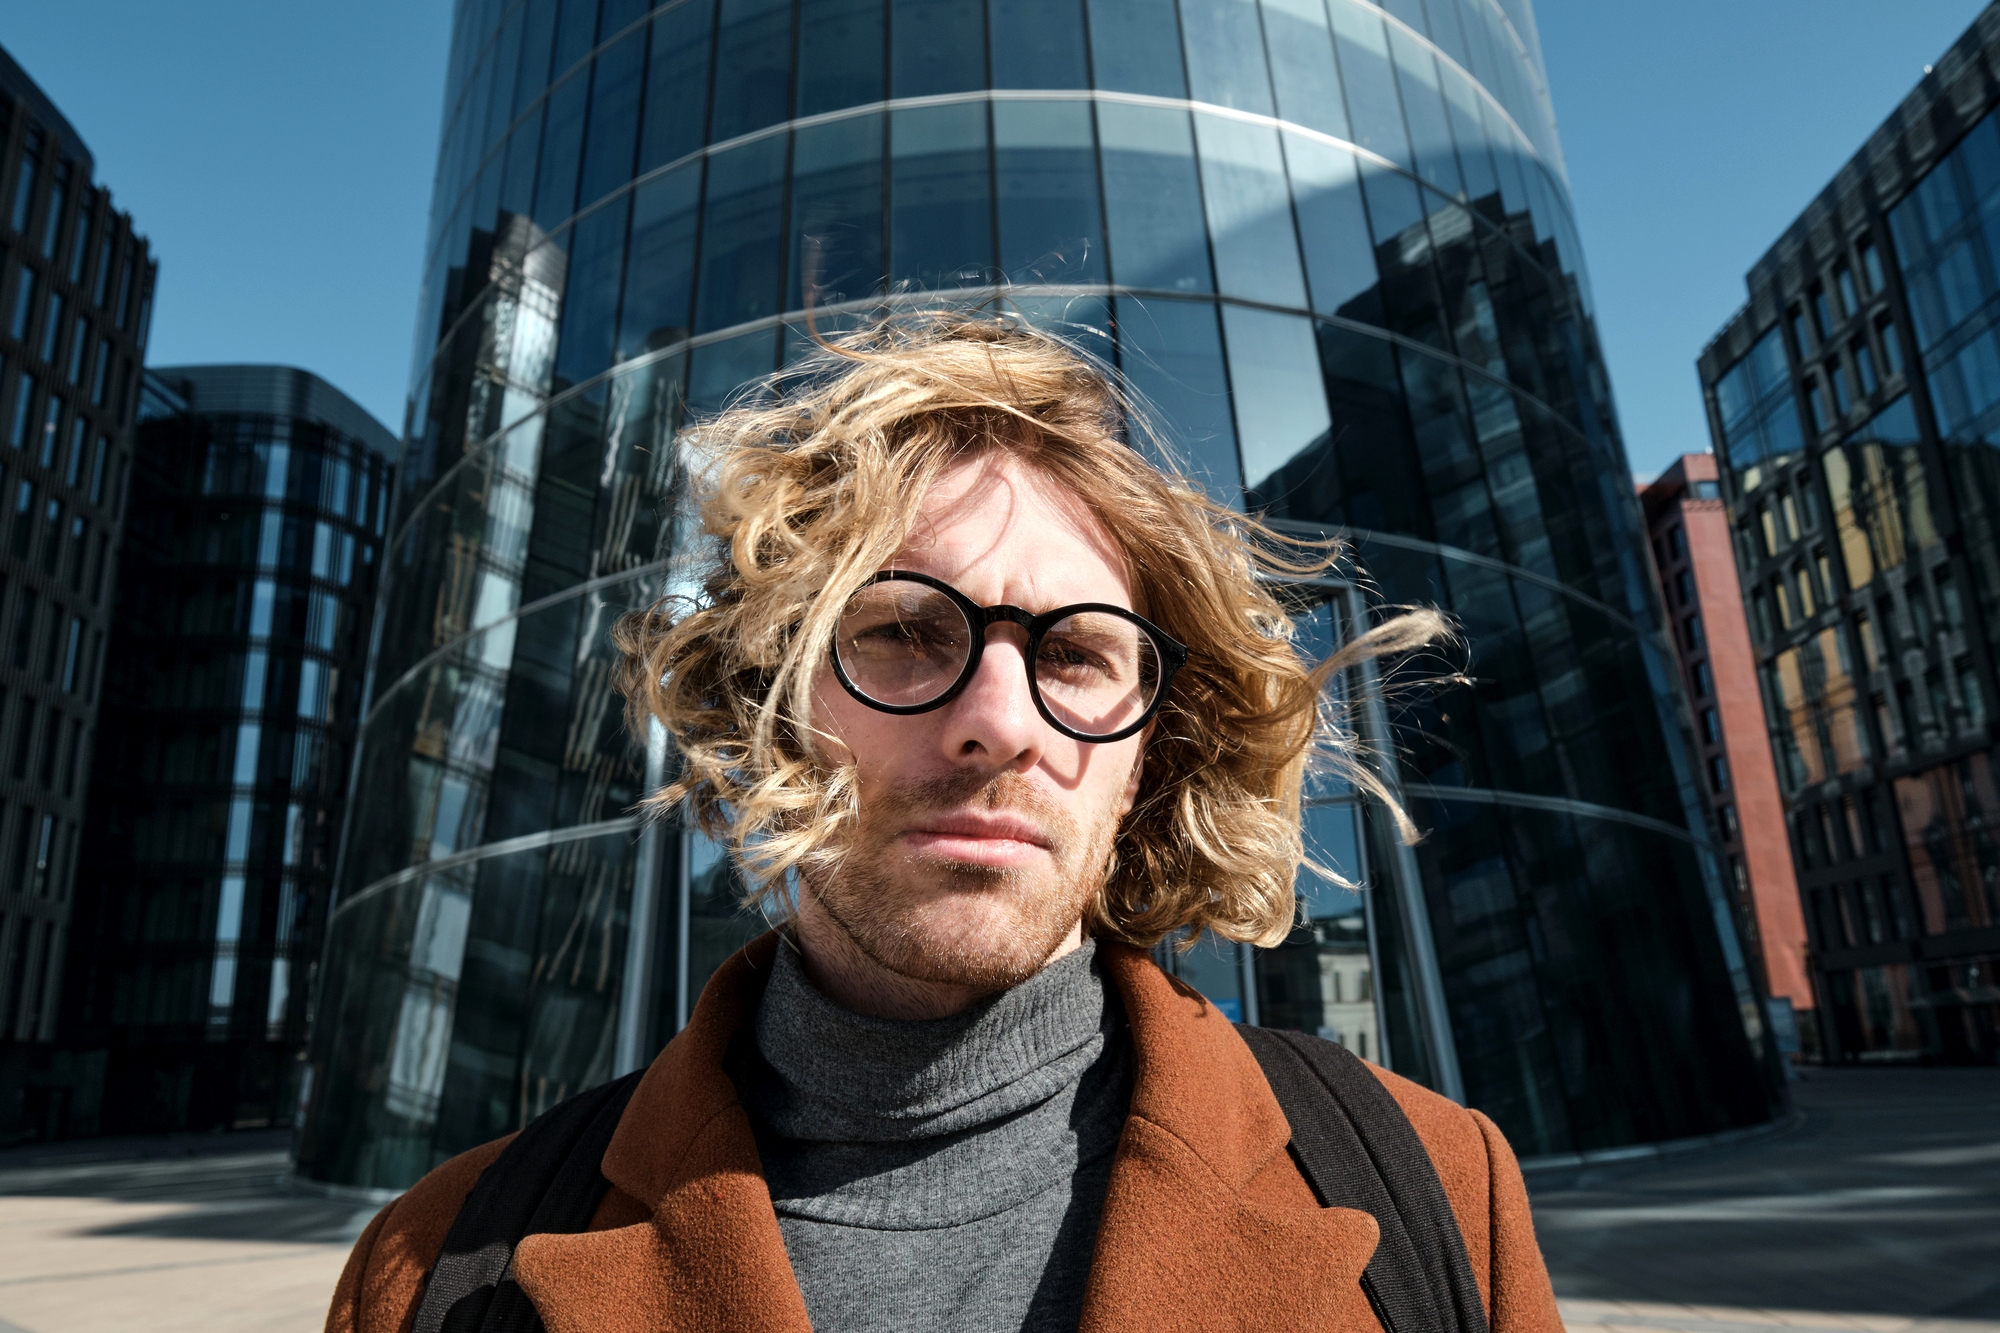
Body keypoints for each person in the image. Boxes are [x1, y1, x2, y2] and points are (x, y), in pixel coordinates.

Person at [326, 314, 1563, 1333]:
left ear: (1145, 754)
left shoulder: (1441, 1191)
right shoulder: (433, 1267)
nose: (997, 722)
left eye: (1076, 653)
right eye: (905, 632)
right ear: (769, 701)